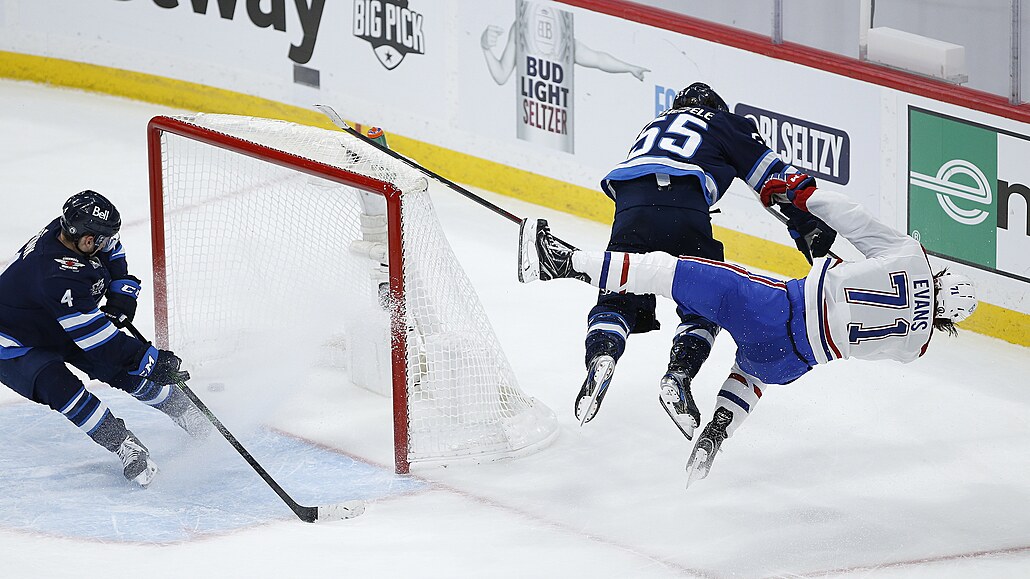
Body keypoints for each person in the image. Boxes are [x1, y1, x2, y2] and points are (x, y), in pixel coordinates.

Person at [517, 173, 977, 486]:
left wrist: (801, 195)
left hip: (778, 308)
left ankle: (561, 261)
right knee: (750, 374)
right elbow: (853, 323)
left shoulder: (910, 256)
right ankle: (716, 431)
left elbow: (851, 219)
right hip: (795, 362)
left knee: (668, 271)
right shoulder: (913, 346)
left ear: (941, 276)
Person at [573, 82, 838, 440]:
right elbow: (776, 179)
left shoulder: (655, 124)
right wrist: (808, 227)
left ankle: (602, 355)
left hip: (630, 205)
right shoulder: (726, 124)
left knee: (620, 291)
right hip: (684, 205)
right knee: (703, 304)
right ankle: (679, 373)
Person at [0, 191, 209, 488]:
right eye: (101, 238)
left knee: (120, 369)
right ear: (86, 240)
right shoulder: (57, 277)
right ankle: (124, 444)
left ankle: (183, 411)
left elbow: (111, 249)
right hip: (13, 341)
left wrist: (121, 289)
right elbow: (105, 347)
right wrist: (151, 361)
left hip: (54, 317)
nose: (108, 242)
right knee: (62, 389)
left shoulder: (70, 230)